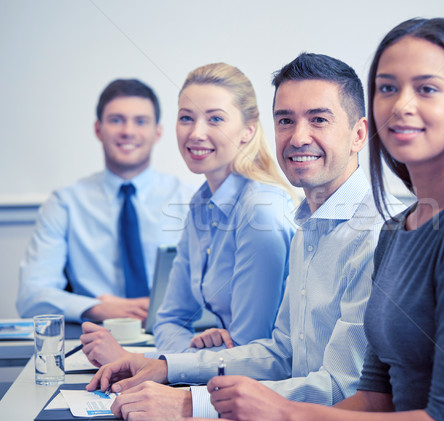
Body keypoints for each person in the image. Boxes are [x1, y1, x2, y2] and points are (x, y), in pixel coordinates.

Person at [204, 17, 444, 421]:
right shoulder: (398, 229)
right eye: (388, 88)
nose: (402, 105)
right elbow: (374, 398)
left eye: (427, 89)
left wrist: (284, 413)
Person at [86, 53, 404, 420]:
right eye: (285, 120)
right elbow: (281, 354)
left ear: (359, 134)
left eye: (319, 119)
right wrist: (165, 366)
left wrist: (192, 404)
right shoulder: (310, 227)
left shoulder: (377, 234)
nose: (299, 137)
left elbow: (340, 389)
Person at [80, 63, 296, 367]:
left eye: (215, 119)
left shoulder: (261, 213)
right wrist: (195, 353)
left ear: (248, 129)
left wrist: (142, 361)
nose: (196, 133)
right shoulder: (201, 203)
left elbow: (252, 354)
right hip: (222, 377)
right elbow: (168, 319)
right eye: (186, 118)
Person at [17, 79, 195, 323]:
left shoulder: (190, 199)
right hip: (95, 337)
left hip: (176, 338)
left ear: (158, 132)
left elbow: (217, 289)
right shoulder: (65, 203)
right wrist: (96, 308)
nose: (128, 131)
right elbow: (31, 295)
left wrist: (164, 306)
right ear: (98, 129)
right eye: (116, 120)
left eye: (140, 121)